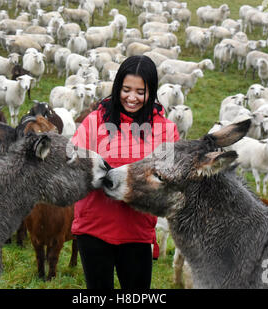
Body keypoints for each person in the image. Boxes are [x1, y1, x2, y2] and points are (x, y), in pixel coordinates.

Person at [71, 55, 180, 289]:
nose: (132, 97)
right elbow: (73, 163)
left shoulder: (165, 130)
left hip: (137, 230)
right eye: (126, 89)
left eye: (140, 92)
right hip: (94, 227)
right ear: (117, 86)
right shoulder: (94, 121)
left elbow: (170, 180)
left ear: (151, 91)